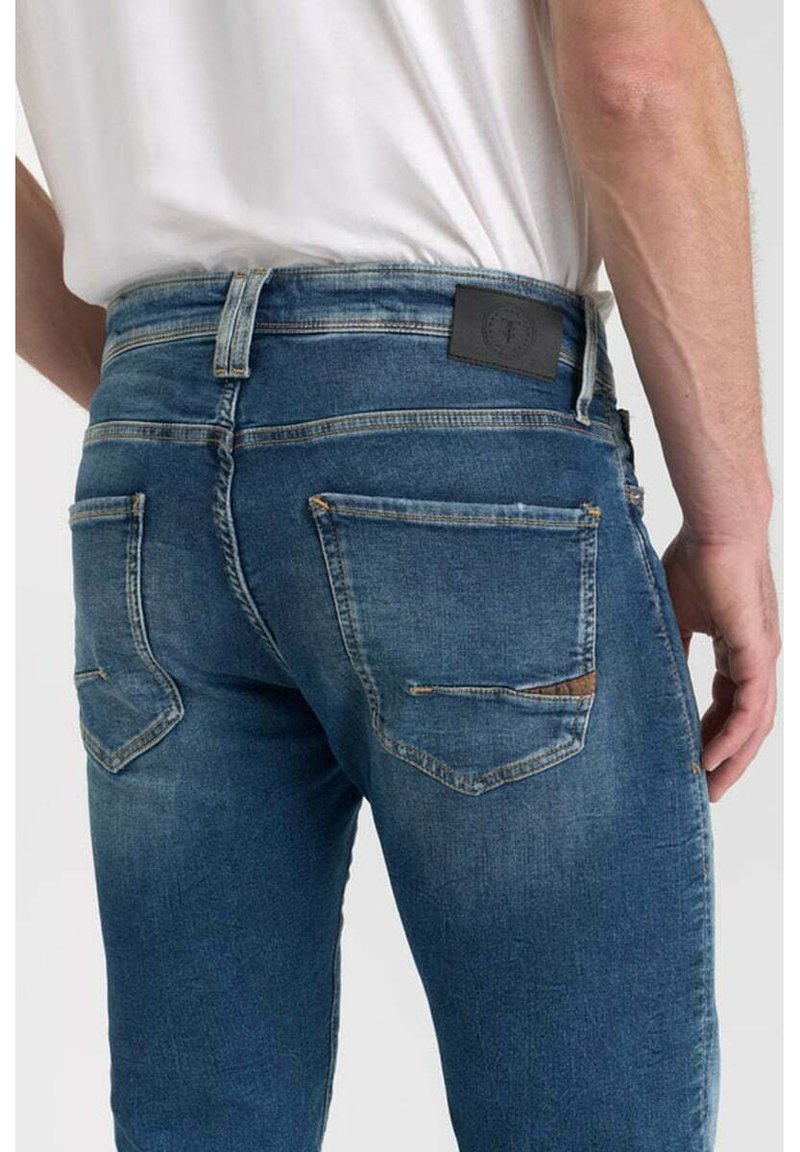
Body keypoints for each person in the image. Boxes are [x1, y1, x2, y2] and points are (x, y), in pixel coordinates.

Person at [16, 1, 779, 1149]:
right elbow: (633, 71)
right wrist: (729, 525)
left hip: (145, 448)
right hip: (466, 410)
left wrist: (191, 412)